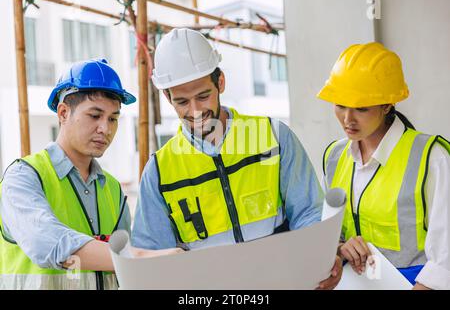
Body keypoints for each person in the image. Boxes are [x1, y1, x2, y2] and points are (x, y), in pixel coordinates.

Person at [131, 28, 342, 289]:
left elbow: (309, 212)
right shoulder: (159, 171)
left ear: (220, 83)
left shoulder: (274, 137)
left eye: (203, 96)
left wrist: (319, 256)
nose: (195, 111)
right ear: (167, 97)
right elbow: (152, 256)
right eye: (182, 102)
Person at [0, 59, 181, 290]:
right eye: (95, 116)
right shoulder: (24, 178)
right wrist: (141, 257)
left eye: (113, 119)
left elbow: (121, 276)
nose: (105, 129)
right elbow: (46, 243)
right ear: (63, 113)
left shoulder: (113, 190)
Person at [318, 42, 450, 289]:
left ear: (388, 104)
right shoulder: (334, 156)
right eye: (341, 105)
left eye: (361, 109)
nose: (348, 119)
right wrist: (340, 248)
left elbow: (446, 257)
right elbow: (327, 232)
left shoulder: (432, 158)